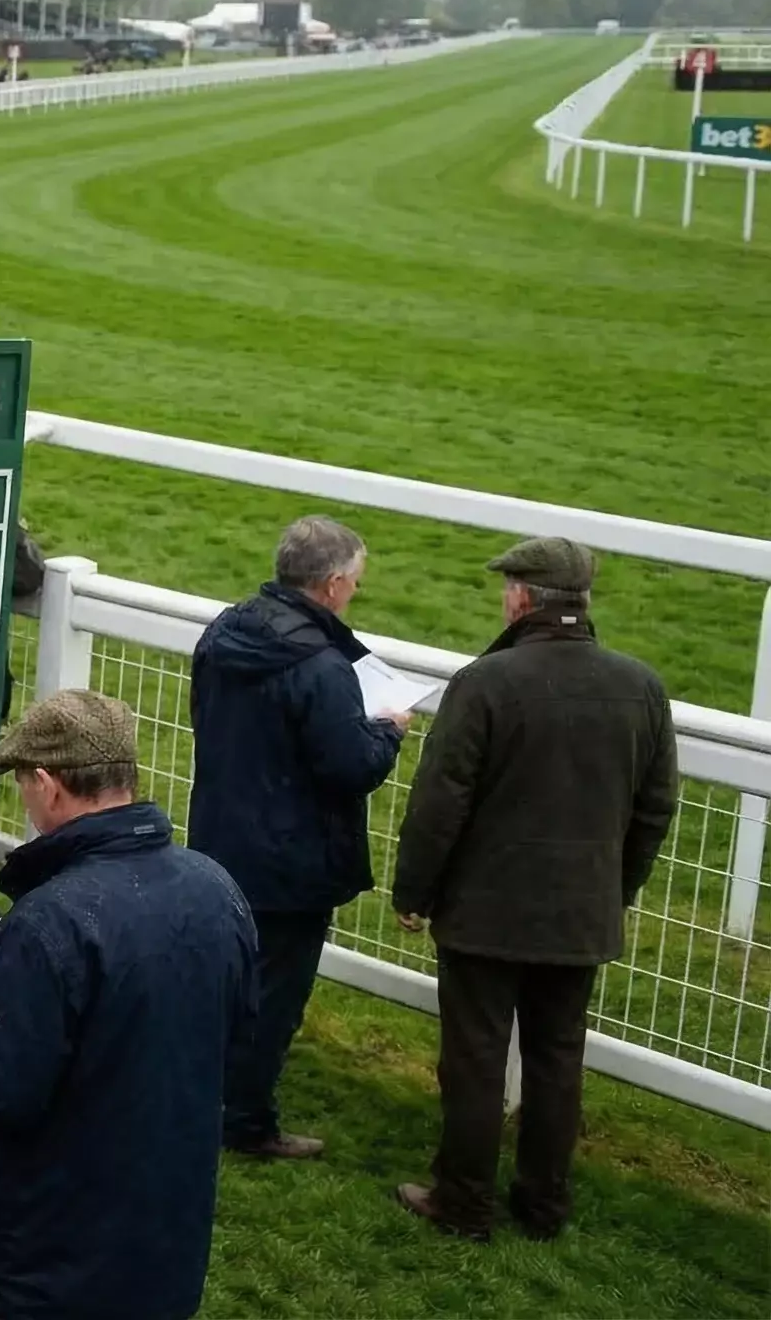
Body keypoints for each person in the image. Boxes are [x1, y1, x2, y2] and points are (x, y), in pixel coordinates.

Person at [0, 688, 257, 1320]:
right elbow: (235, 1038)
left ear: (48, 784)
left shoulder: (49, 920)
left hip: (51, 1265)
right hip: (164, 1251)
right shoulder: (217, 888)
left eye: (21, 782)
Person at [389, 538, 677, 1242]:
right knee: (556, 1057)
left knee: (477, 1059)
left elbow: (440, 802)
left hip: (485, 913)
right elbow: (655, 807)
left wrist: (414, 891)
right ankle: (543, 1205)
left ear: (521, 598)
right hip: (582, 913)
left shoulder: (486, 683)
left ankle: (462, 1202)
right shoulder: (640, 686)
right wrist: (615, 890)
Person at [186, 514, 408, 1160]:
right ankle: (247, 1123)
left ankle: (201, 1098)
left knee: (222, 982)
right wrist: (389, 731)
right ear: (334, 585)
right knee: (273, 997)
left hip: (221, 840)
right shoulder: (324, 666)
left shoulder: (226, 629)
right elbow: (351, 767)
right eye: (356, 584)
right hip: (291, 862)